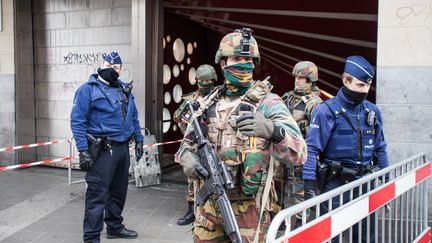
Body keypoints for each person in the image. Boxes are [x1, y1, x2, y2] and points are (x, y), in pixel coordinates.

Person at [177, 28, 307, 243]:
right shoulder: (208, 103)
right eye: (236, 58)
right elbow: (186, 144)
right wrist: (186, 158)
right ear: (222, 63)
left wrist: (272, 131)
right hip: (209, 208)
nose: (242, 64)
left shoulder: (269, 103)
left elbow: (299, 154)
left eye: (247, 59)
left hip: (251, 212)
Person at [303, 56, 389, 242]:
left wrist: (387, 178)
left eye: (368, 85)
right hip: (335, 184)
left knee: (367, 237)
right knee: (331, 236)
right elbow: (311, 150)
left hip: (365, 183)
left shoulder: (372, 111)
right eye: (360, 85)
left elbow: (380, 147)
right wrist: (309, 185)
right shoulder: (325, 111)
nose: (365, 90)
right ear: (345, 81)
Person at [70, 51, 144, 242]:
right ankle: (91, 237)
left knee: (119, 192)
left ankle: (114, 227)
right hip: (102, 151)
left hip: (122, 149)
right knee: (97, 195)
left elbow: (133, 117)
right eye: (109, 66)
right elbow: (77, 121)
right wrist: (82, 150)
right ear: (101, 65)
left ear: (120, 70)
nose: (112, 70)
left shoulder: (124, 90)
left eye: (116, 68)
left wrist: (139, 139)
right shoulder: (88, 90)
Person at [173, 64, 217, 226]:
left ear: (213, 80)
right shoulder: (192, 99)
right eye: (200, 80)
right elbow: (178, 116)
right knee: (192, 179)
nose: (203, 83)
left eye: (207, 80)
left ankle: (212, 210)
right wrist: (189, 119)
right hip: (194, 145)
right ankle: (191, 211)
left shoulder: (218, 97)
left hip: (213, 144)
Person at [281, 61, 322, 227]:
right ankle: (279, 216)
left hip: (300, 152)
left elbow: (317, 132)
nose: (297, 80)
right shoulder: (288, 97)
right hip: (281, 149)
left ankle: (301, 219)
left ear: (311, 80)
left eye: (302, 78)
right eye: (296, 77)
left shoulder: (314, 103)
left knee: (300, 188)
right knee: (278, 184)